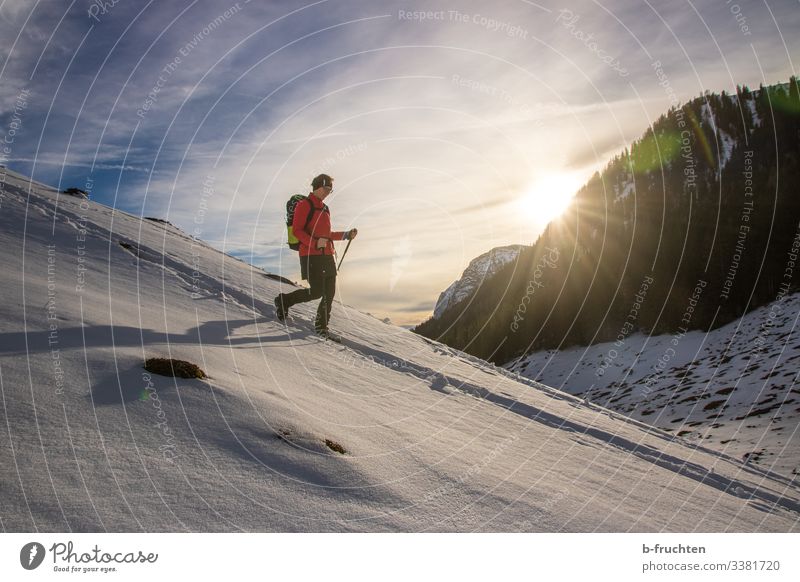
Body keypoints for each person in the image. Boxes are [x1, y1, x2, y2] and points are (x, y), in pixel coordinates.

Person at [274, 173, 357, 339]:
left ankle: (321, 327)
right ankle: (284, 301)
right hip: (311, 256)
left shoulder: (325, 209)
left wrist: (346, 235)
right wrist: (314, 243)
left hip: (327, 256)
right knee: (316, 292)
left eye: (330, 190)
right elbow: (297, 231)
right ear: (317, 186)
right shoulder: (304, 205)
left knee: (330, 293)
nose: (327, 192)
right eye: (326, 189)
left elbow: (327, 234)